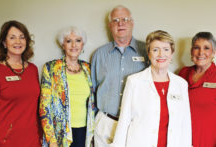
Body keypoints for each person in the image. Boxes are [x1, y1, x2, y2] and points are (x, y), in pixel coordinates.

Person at [111, 30, 192, 147]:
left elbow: (185, 124)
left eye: (166, 49)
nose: (161, 54)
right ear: (149, 54)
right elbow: (124, 121)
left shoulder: (181, 84)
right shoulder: (134, 82)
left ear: (172, 53)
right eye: (155, 50)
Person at [91, 5, 150, 147]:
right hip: (106, 123)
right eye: (116, 20)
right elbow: (92, 90)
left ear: (132, 23)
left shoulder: (148, 51)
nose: (121, 23)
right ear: (110, 25)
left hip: (135, 123)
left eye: (125, 19)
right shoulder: (99, 54)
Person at [39, 26, 95, 147]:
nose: (74, 45)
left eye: (78, 41)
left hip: (84, 132)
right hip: (60, 133)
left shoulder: (88, 68)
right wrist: (51, 140)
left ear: (83, 44)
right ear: (63, 45)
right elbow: (44, 107)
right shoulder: (51, 68)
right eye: (69, 41)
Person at [0, 20, 41, 146]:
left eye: (22, 37)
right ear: (4, 43)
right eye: (12, 37)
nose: (18, 42)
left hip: (33, 138)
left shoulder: (33, 69)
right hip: (6, 140)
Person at [179, 32, 216, 147]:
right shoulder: (182, 73)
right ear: (191, 51)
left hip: (208, 140)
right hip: (182, 139)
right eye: (196, 48)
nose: (201, 52)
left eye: (206, 48)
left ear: (213, 52)